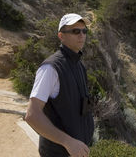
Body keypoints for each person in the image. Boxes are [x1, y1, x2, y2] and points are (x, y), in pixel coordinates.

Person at [25, 13, 94, 157]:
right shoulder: (51, 68)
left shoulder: (79, 65)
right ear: (61, 36)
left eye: (84, 31)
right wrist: (68, 142)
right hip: (58, 152)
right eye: (76, 31)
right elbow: (32, 115)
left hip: (78, 150)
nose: (82, 35)